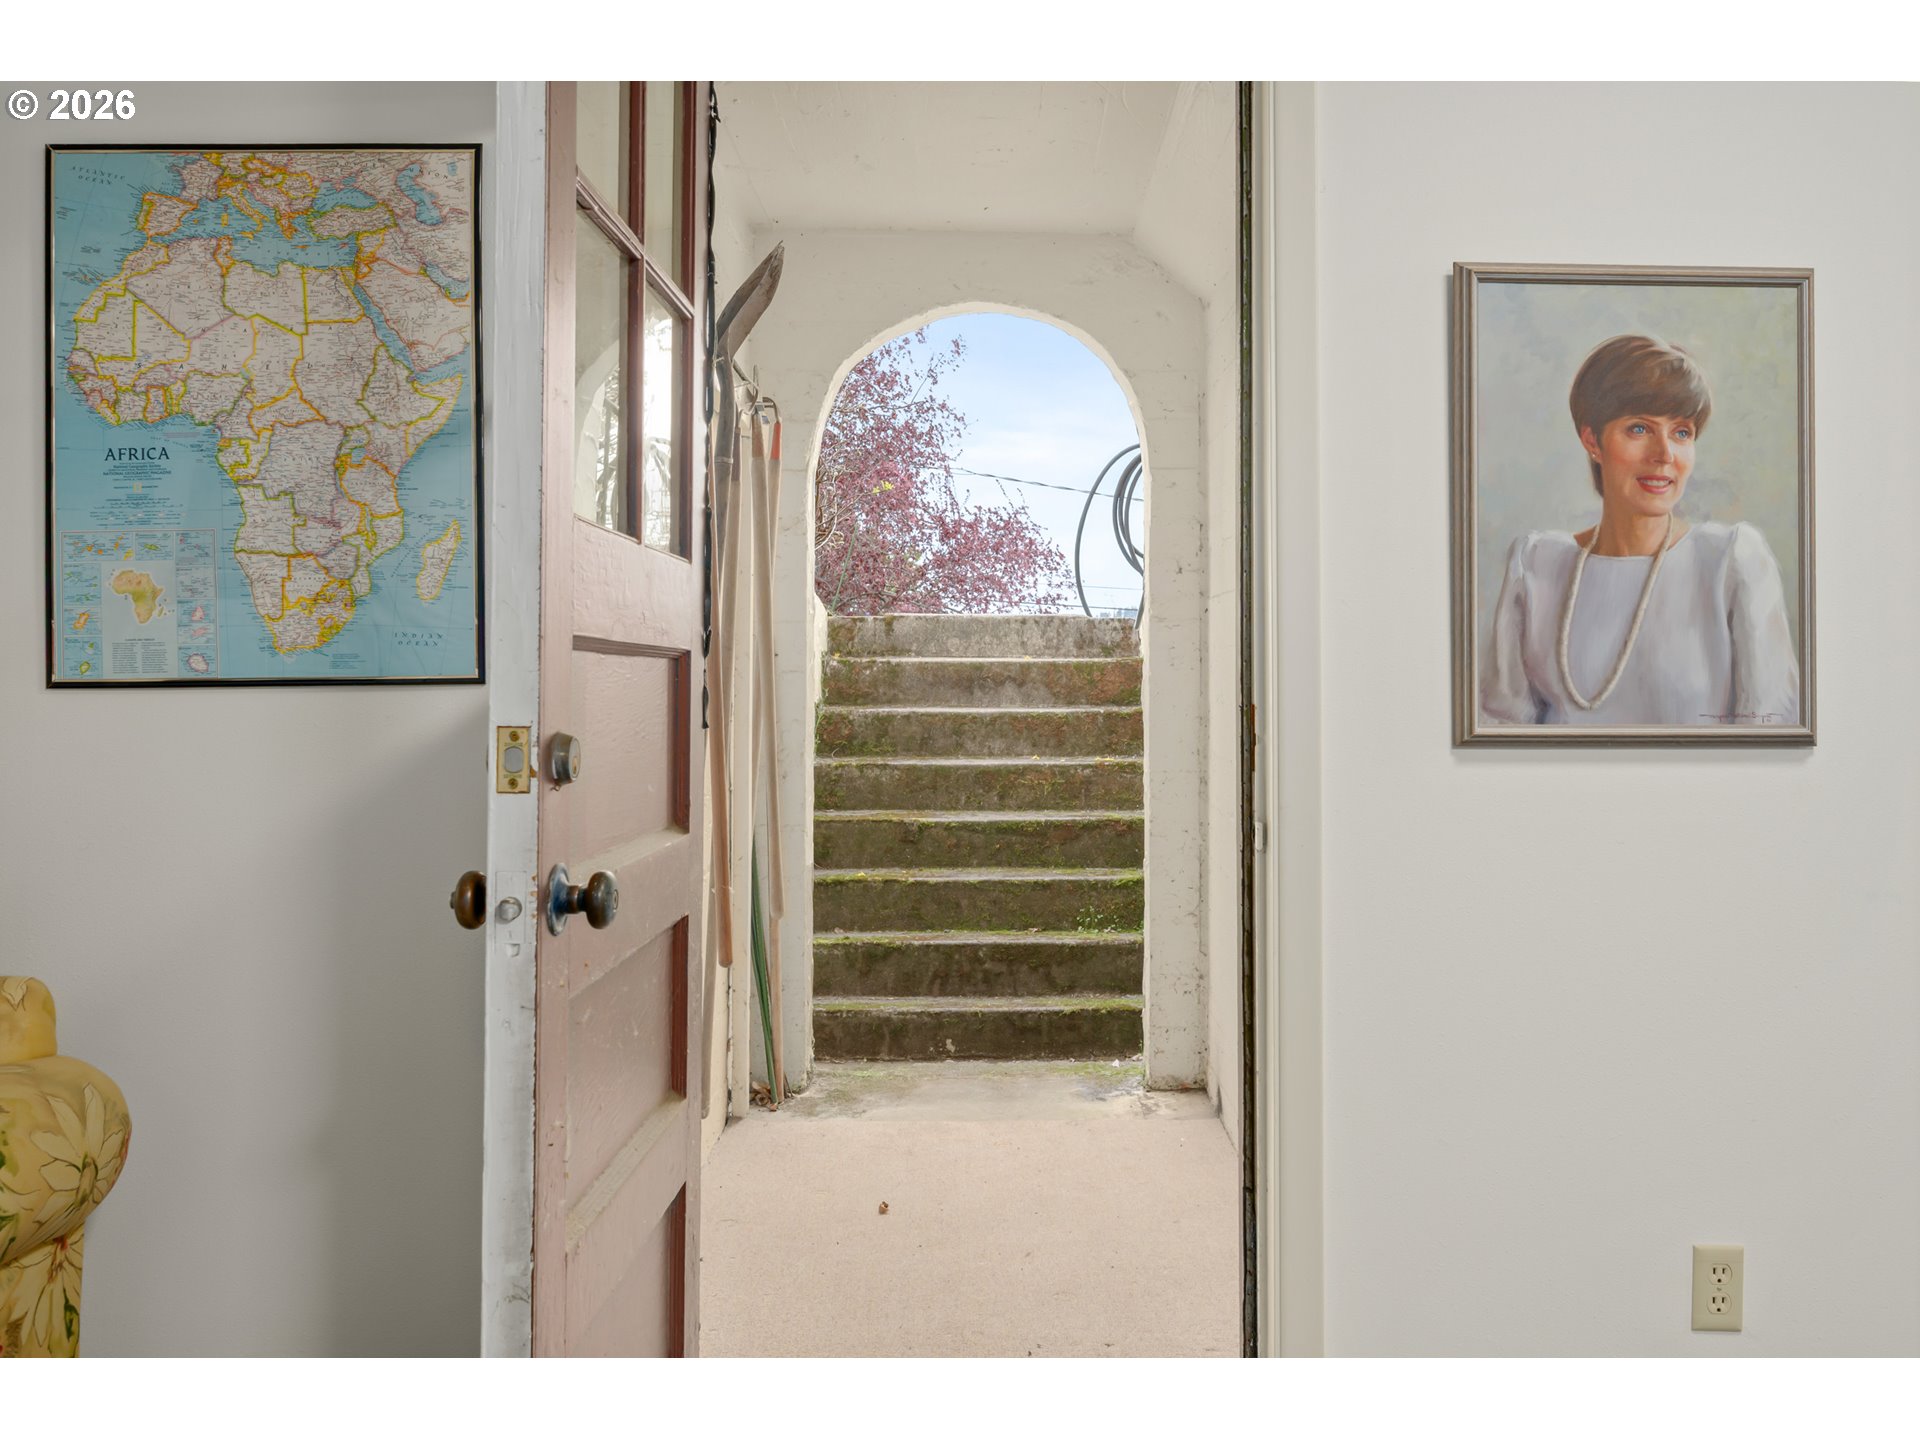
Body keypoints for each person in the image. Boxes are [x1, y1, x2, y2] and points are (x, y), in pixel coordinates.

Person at [1481, 334, 1800, 727]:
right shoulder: (1536, 563)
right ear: (1591, 440)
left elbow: (1770, 730)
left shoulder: (1731, 559)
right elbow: (1501, 729)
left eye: (1682, 433)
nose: (1664, 454)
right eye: (1639, 429)